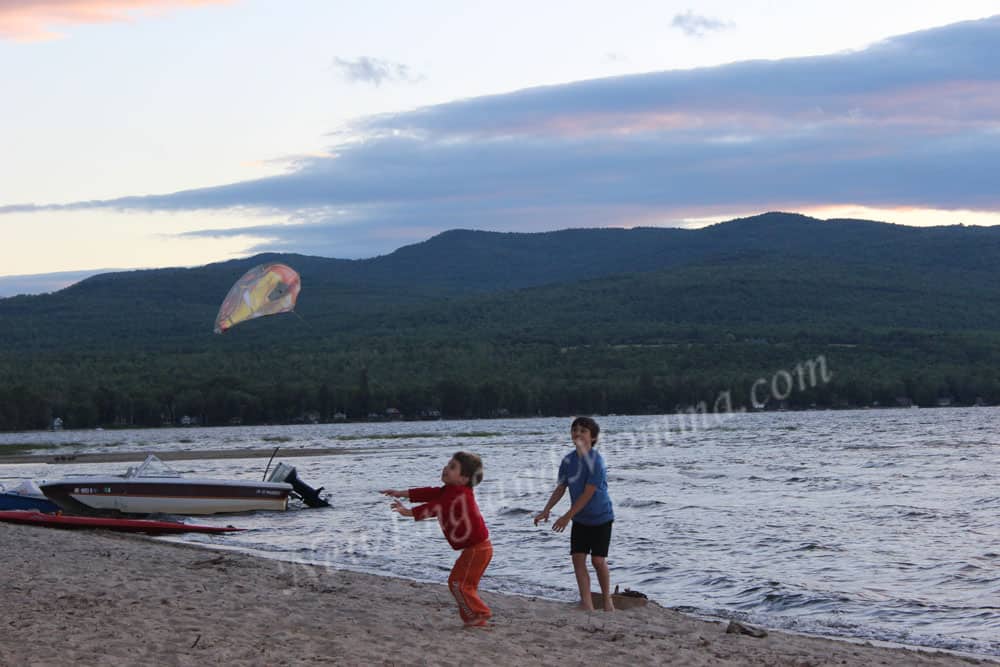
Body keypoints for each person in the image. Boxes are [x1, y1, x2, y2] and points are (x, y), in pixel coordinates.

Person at [382, 451, 493, 627]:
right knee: (462, 585)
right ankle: (474, 619)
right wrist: (401, 493)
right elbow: (429, 493)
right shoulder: (450, 490)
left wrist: (408, 512)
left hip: (477, 549)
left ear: (464, 479)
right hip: (478, 549)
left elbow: (436, 507)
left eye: (452, 467)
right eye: (448, 464)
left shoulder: (459, 495)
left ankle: (479, 614)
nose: (446, 468)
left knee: (458, 583)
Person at [534, 416, 615, 611]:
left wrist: (567, 516)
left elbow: (588, 493)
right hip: (580, 519)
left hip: (601, 517)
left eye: (583, 431)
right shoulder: (568, 460)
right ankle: (586, 603)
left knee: (597, 560)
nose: (577, 433)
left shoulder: (597, 461)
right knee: (578, 559)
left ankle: (607, 600)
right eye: (575, 430)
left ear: (593, 437)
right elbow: (561, 487)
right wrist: (547, 510)